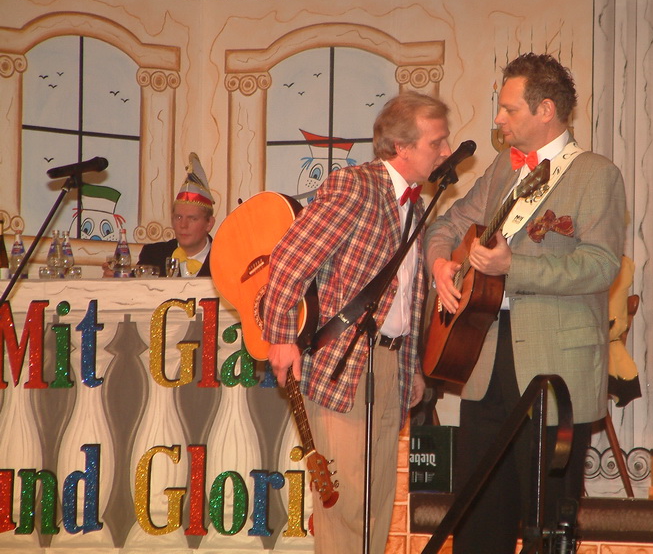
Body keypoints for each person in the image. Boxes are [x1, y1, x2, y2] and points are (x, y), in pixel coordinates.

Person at [424, 53, 626, 553]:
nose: (498, 119)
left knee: (546, 522)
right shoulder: (502, 168)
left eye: (509, 109)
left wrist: (513, 267)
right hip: (486, 360)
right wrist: (440, 263)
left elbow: (601, 266)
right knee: (478, 520)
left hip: (556, 369)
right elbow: (447, 224)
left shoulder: (597, 174)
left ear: (546, 110)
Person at [262, 91, 451, 554]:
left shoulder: (416, 203)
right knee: (344, 505)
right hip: (343, 364)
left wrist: (411, 369)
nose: (446, 152)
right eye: (437, 142)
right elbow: (289, 260)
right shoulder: (355, 185)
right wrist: (282, 337)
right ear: (401, 146)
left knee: (376, 504)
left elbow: (405, 297)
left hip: (389, 365)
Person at [103, 153, 216, 277]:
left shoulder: (225, 259)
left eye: (192, 218)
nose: (183, 225)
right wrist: (113, 282)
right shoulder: (153, 255)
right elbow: (133, 288)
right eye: (178, 217)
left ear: (209, 223)